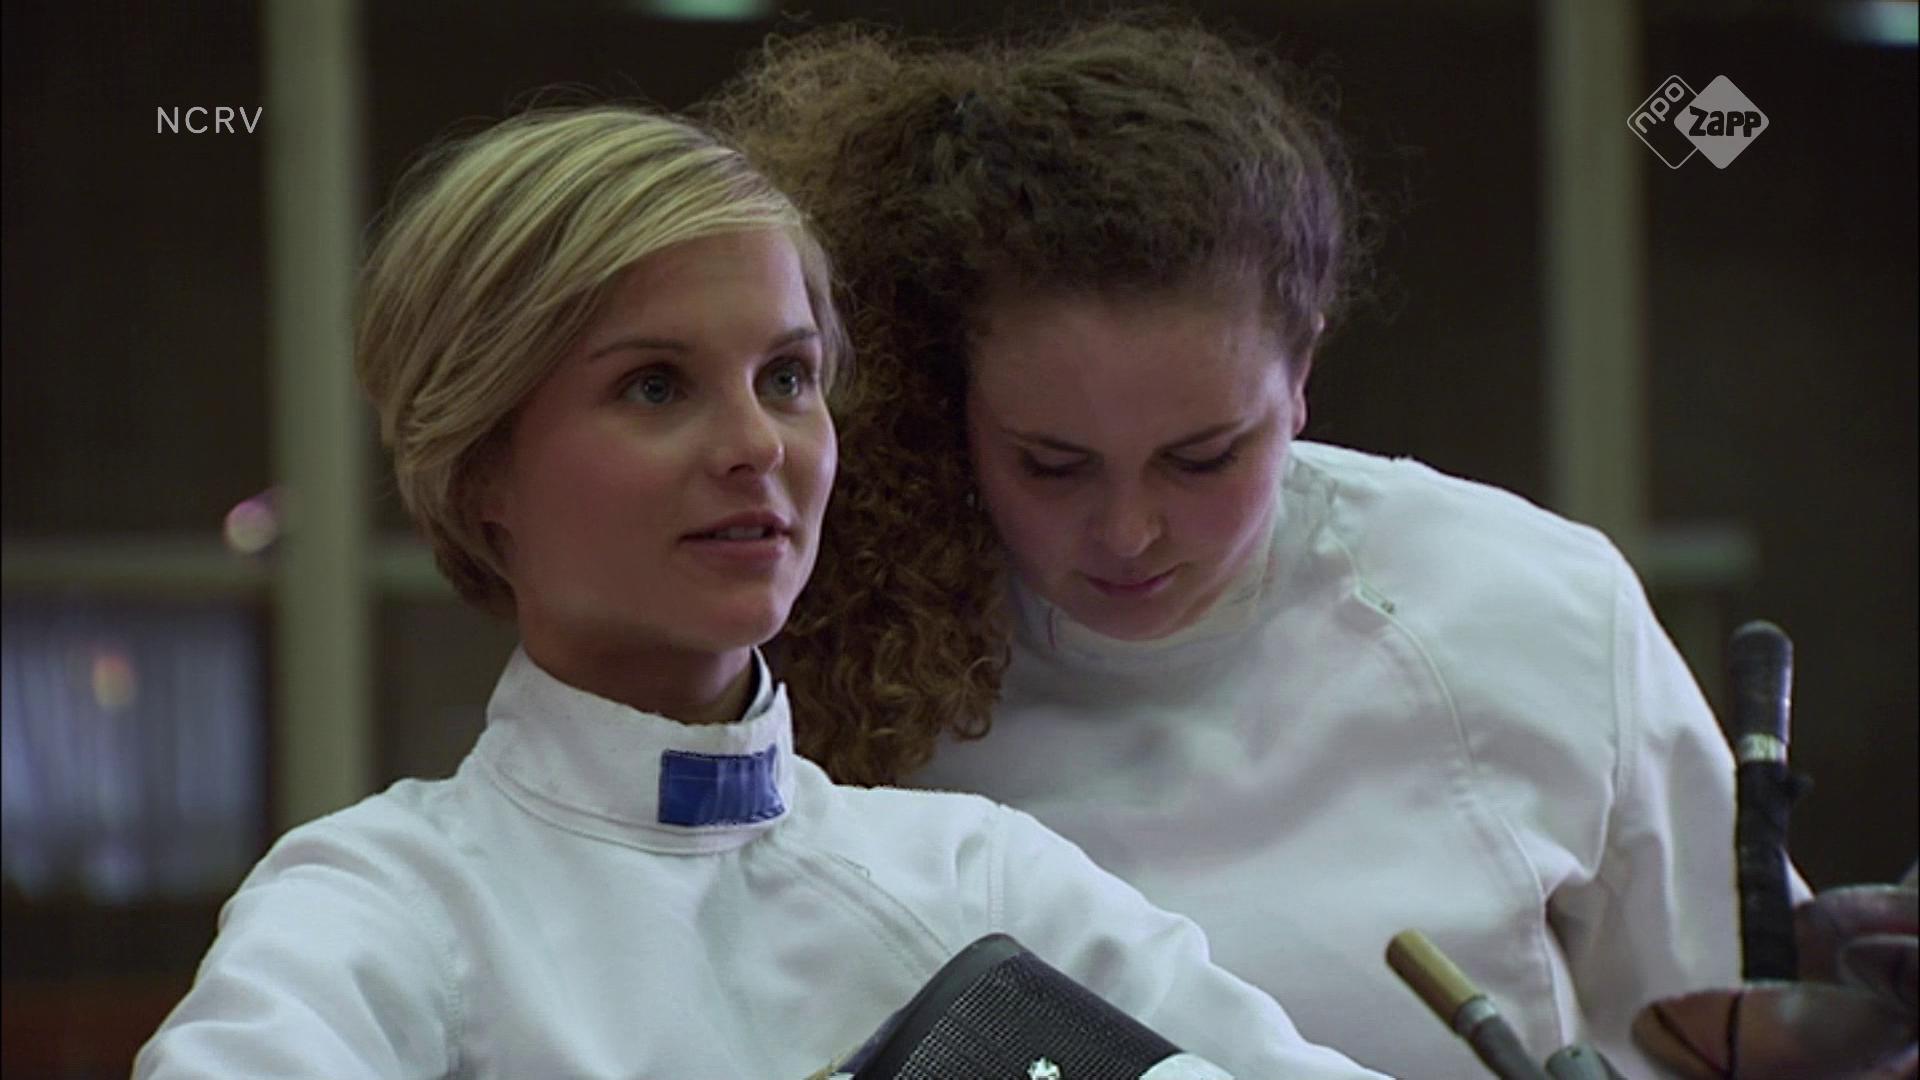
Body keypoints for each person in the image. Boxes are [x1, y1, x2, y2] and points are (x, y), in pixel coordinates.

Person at [132, 106, 1382, 1078]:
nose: (755, 446)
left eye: (786, 378)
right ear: (481, 468)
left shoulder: (973, 881)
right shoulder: (385, 906)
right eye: (656, 387)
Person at [705, 17, 1756, 1078]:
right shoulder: (845, 654)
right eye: (1052, 465)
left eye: (1202, 458)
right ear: (953, 398)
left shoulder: (1532, 608)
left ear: (1302, 376)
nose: (1129, 532)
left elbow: (1731, 1030)